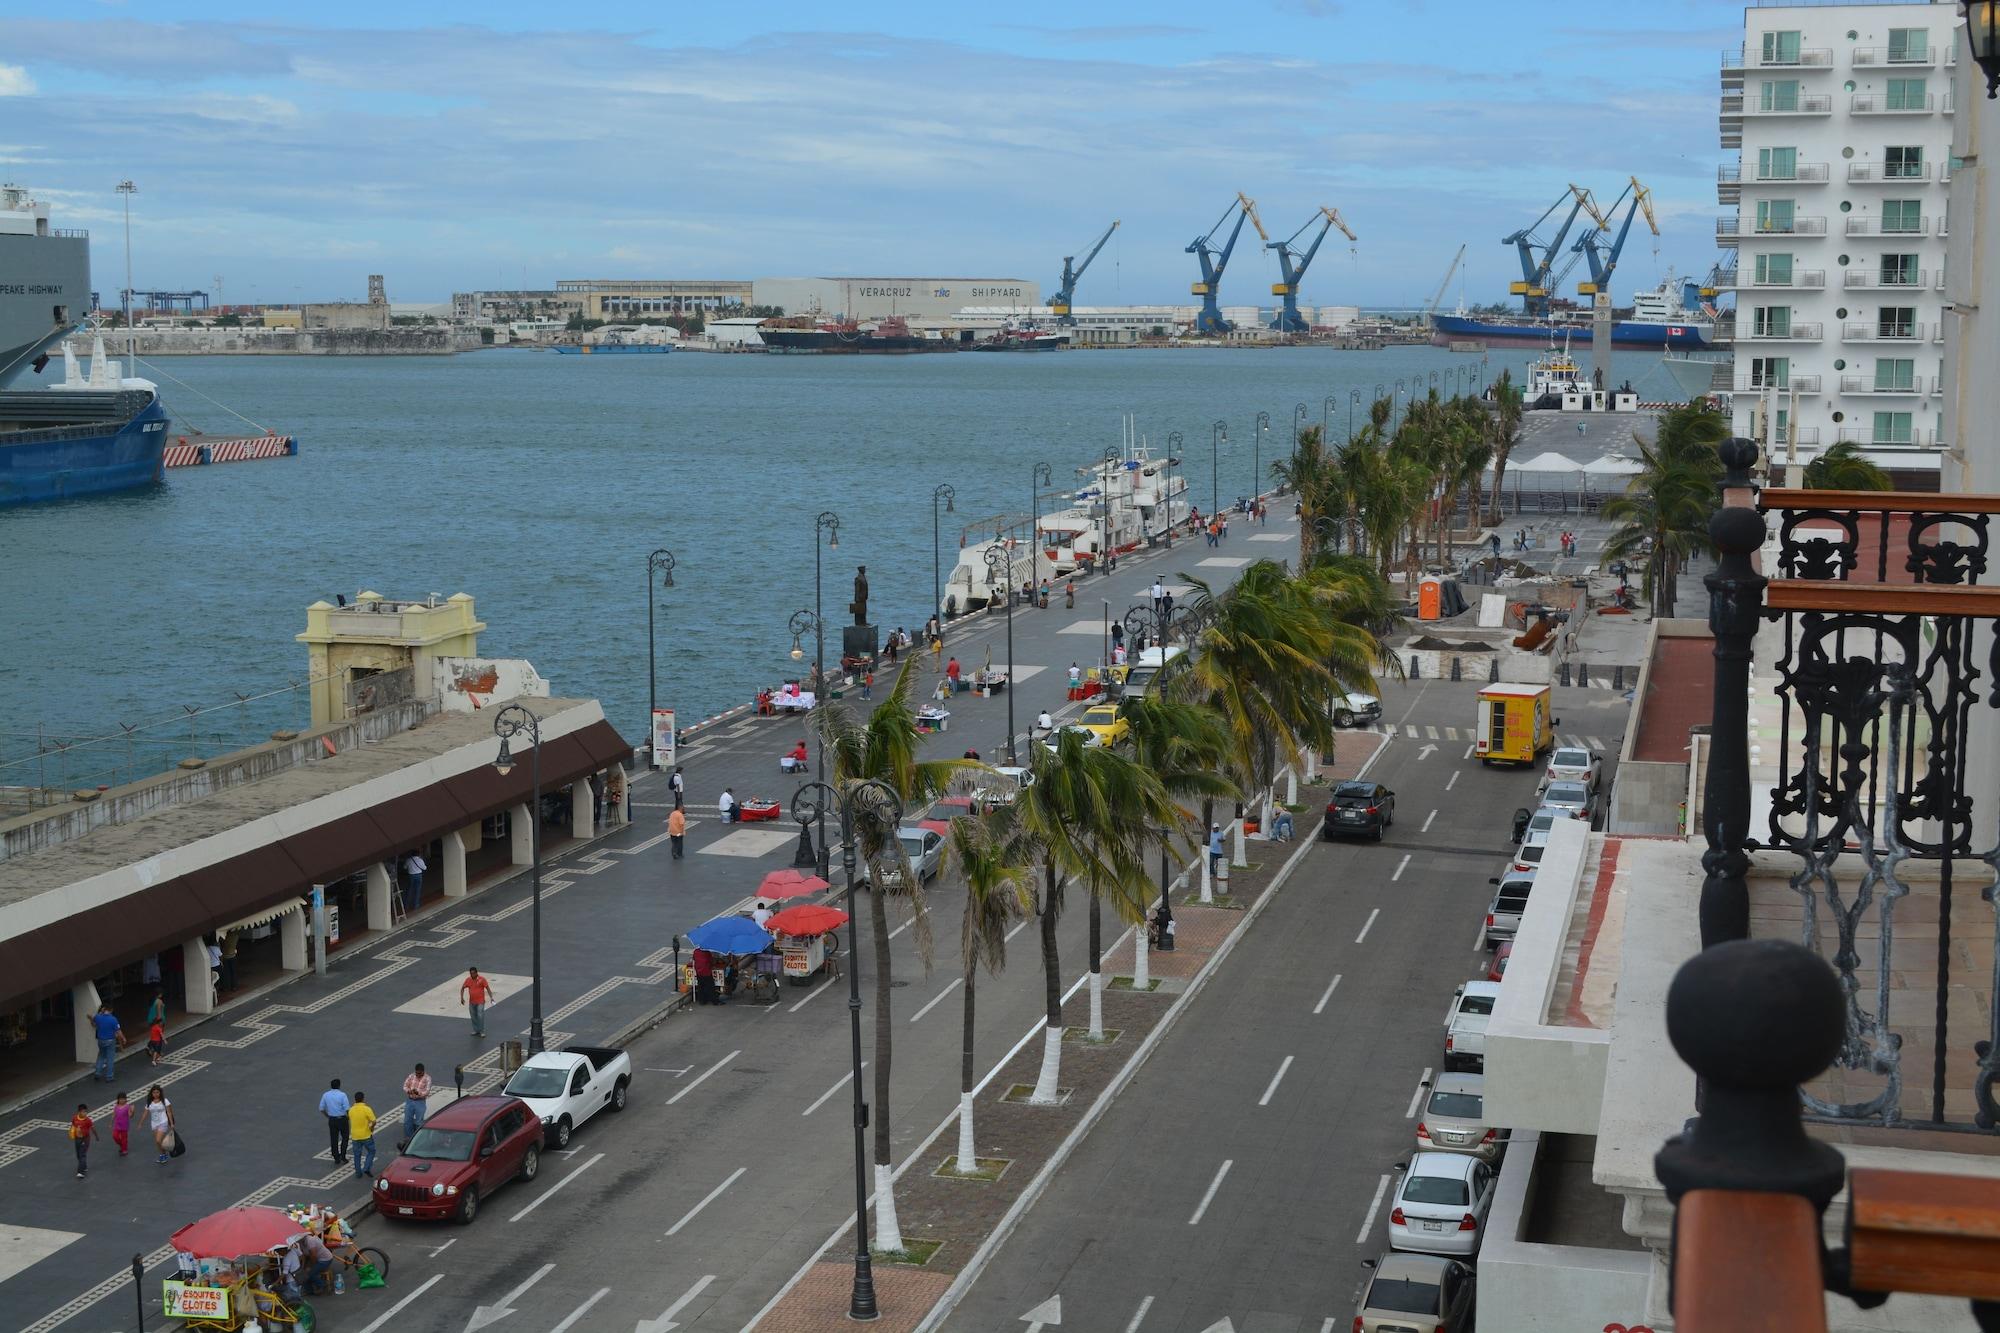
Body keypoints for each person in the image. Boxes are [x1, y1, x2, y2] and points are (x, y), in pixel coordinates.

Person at [319, 1078, 351, 1166]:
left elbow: (321, 1108)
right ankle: (343, 1156)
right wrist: (349, 1117)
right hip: (342, 1119)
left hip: (332, 1119)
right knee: (345, 1137)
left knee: (334, 1139)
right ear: (339, 1086)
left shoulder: (326, 1095)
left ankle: (336, 1157)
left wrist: (328, 1116)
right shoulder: (342, 1095)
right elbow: (347, 1108)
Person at [90, 1003, 123, 1083]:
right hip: (110, 1040)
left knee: (101, 1056)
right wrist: (123, 1038)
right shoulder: (113, 1019)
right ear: (111, 1010)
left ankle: (97, 1073)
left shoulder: (98, 1017)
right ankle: (109, 1076)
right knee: (110, 1058)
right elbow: (118, 1031)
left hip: (100, 1040)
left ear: (104, 1009)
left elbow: (93, 1023)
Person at [348, 1091, 377, 1179]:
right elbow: (373, 1121)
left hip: (355, 1136)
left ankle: (358, 1173)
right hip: (366, 1135)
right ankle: (366, 1167)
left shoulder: (351, 1110)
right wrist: (371, 1128)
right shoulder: (367, 1109)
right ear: (363, 1099)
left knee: (357, 1155)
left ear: (355, 1099)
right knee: (371, 1151)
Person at [460, 966, 494, 1038]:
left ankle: (481, 1031)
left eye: (473, 973)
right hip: (472, 1002)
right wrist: (462, 998)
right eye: (470, 973)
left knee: (480, 1015)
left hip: (480, 1001)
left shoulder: (482, 979)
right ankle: (476, 1030)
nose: (472, 975)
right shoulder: (468, 980)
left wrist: (491, 997)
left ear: (476, 973)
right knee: (473, 1016)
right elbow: (462, 988)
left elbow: (488, 988)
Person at [299, 1230, 336, 1296]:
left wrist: (311, 1267)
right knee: (305, 1273)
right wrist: (303, 1267)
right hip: (317, 1259)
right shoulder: (301, 1242)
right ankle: (309, 1290)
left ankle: (323, 1285)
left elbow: (314, 1256)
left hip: (325, 1259)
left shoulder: (310, 1240)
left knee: (310, 1273)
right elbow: (305, 1256)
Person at [402, 1063, 432, 1144]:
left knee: (418, 1122)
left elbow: (427, 1091)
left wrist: (418, 1093)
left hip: (420, 1102)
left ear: (423, 1071)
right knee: (407, 1121)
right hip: (410, 1101)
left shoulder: (427, 1078)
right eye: (417, 1073)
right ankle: (409, 1139)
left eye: (420, 1073)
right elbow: (405, 1086)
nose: (418, 1075)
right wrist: (409, 1091)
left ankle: (418, 1139)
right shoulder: (411, 1076)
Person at [144, 1085, 175, 1164]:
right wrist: (140, 1123)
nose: (155, 1094)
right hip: (154, 1124)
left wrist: (171, 1123)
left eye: (157, 1092)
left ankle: (163, 1154)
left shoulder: (165, 1101)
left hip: (163, 1122)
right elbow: (145, 1113)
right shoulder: (149, 1102)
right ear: (151, 1093)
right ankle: (162, 1155)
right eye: (154, 1092)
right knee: (158, 1141)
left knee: (158, 1140)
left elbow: (169, 1112)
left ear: (160, 1093)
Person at [70, 1102, 97, 1179]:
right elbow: (73, 1125)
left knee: (82, 1154)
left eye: (86, 1111)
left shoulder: (88, 1120)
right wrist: (72, 1132)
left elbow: (93, 1128)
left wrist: (96, 1136)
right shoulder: (75, 1118)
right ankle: (84, 1166)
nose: (85, 1113)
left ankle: (80, 1172)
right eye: (83, 1111)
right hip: (77, 1139)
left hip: (85, 1139)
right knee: (78, 1155)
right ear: (79, 1112)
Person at [111, 1091, 132, 1157]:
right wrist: (111, 1122)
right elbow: (114, 1114)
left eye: (123, 1099)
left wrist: (133, 1111)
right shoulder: (116, 1106)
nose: (122, 1100)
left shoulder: (127, 1106)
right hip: (117, 1125)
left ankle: (124, 1150)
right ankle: (122, 1145)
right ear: (118, 1100)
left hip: (124, 1126)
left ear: (126, 1099)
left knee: (124, 1138)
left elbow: (130, 1115)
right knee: (115, 1136)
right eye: (120, 1099)